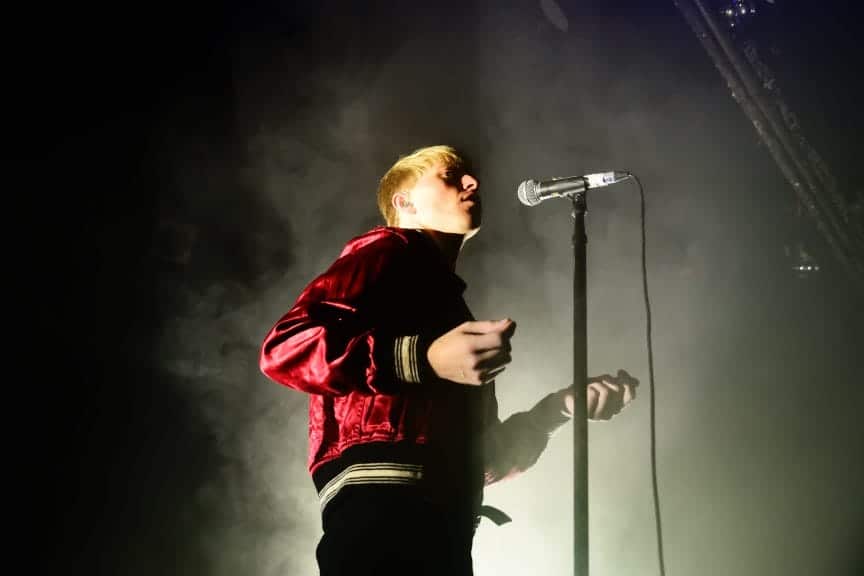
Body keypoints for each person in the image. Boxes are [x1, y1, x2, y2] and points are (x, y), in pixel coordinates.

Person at [258, 145, 637, 576]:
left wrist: (557, 409)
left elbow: (480, 462)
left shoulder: (447, 306)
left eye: (470, 176)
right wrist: (422, 358)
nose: (472, 182)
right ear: (404, 202)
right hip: (381, 519)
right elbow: (285, 348)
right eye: (451, 175)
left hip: (441, 529)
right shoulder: (387, 250)